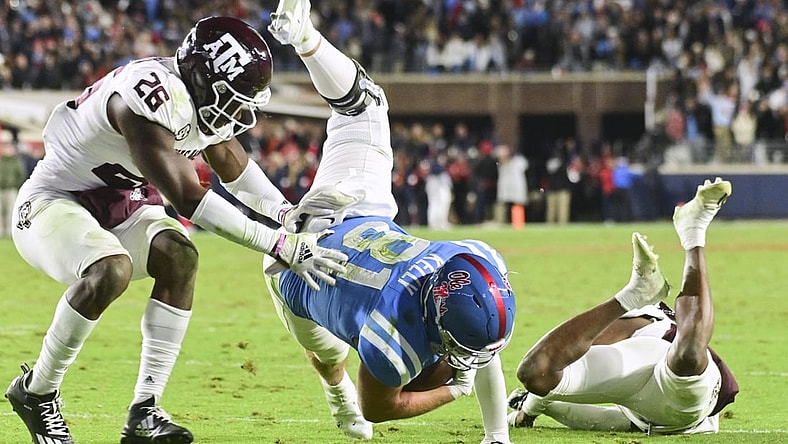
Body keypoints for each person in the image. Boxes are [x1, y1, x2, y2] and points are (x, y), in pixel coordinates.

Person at [4, 16, 348, 444]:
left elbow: (231, 163)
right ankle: (38, 391)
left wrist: (285, 214)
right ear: (203, 78)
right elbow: (191, 199)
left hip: (121, 204)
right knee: (111, 269)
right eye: (231, 97)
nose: (238, 112)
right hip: (55, 201)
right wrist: (281, 244)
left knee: (179, 255)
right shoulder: (147, 95)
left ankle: (145, 412)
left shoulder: (198, 97)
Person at [262, 2, 516, 443]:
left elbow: (476, 322)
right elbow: (379, 407)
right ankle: (334, 392)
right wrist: (454, 391)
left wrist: (497, 437)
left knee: (366, 105)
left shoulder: (472, 262)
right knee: (329, 357)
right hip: (292, 264)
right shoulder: (390, 340)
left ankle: (305, 37)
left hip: (359, 211)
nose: (470, 359)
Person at [507, 177, 739, 435]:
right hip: (639, 401)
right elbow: (542, 370)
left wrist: (530, 408)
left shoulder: (658, 325)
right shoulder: (636, 329)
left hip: (682, 395)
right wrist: (529, 408)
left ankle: (693, 229)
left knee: (689, 355)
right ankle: (635, 292)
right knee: (533, 371)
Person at [0, 131, 26, 237]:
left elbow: (21, 175)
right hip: (0, 189)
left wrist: (14, 184)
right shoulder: (1, 161)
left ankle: (10, 231)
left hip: (11, 189)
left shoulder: (16, 161)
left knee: (11, 210)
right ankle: (1, 231)